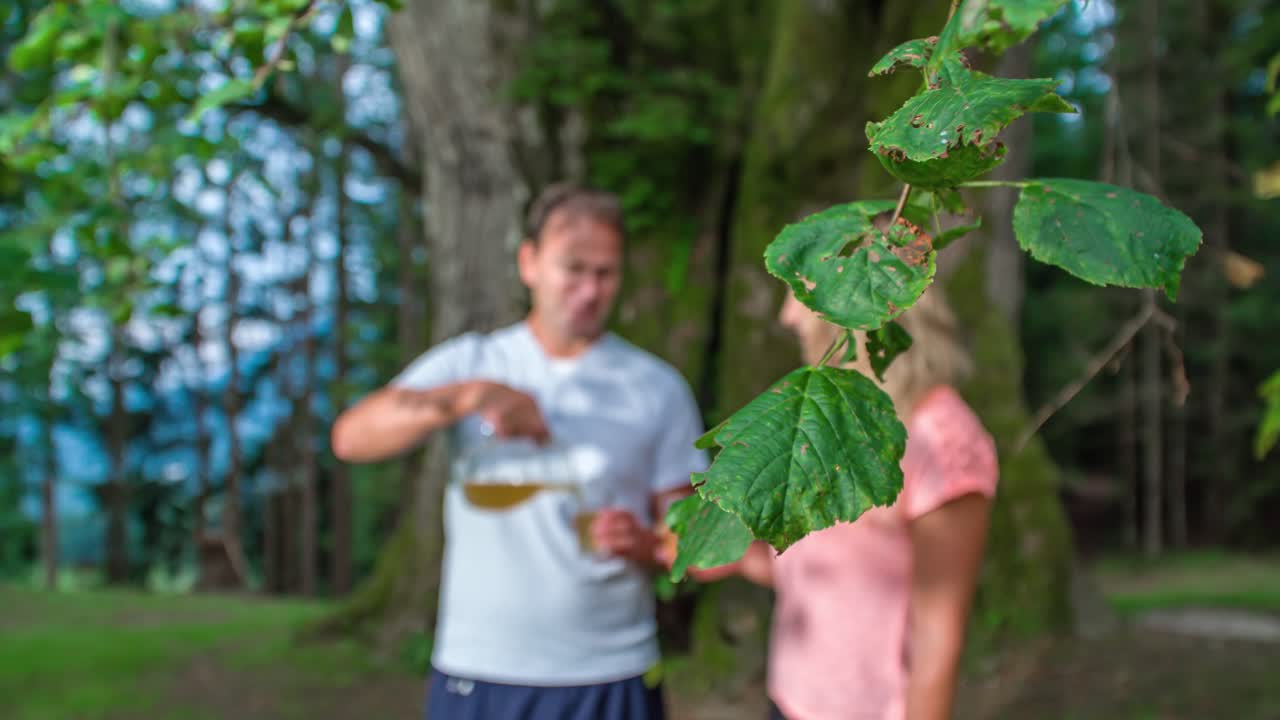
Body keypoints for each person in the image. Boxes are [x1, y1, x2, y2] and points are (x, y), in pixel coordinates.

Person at [330, 184, 707, 720]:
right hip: (481, 668)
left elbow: (690, 531)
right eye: (573, 268)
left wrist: (648, 544)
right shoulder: (474, 361)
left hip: (611, 668)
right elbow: (352, 437)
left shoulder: (656, 386)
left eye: (606, 273)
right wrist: (470, 396)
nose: (589, 290)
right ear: (528, 262)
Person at [683, 285, 998, 720]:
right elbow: (835, 575)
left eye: (799, 293)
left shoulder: (942, 440)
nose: (786, 316)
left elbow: (937, 640)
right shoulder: (834, 419)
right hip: (792, 700)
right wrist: (735, 560)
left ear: (852, 304)